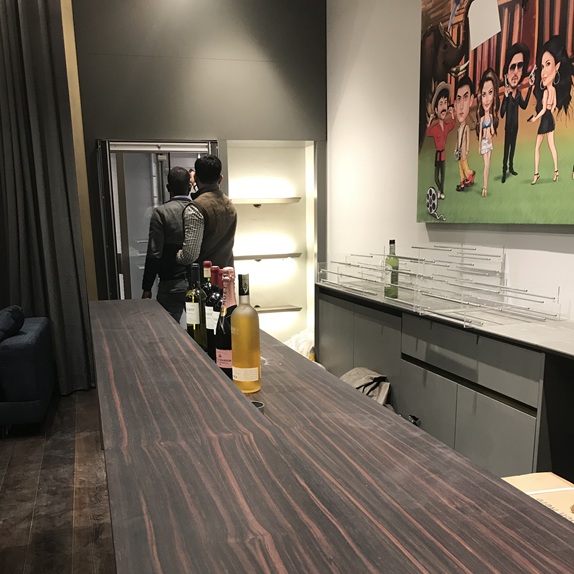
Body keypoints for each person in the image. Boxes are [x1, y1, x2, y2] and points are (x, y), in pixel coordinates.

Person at [142, 166, 192, 322]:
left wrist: (147, 287)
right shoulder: (198, 209)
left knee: (168, 329)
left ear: (168, 187)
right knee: (199, 330)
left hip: (171, 282)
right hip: (196, 281)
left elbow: (154, 253)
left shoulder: (161, 213)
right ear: (189, 187)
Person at [177, 154, 237, 268]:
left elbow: (189, 256)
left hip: (205, 276)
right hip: (227, 273)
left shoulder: (196, 208)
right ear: (220, 178)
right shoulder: (229, 204)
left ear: (195, 178)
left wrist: (178, 255)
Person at [529, 36, 574, 185]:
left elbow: (545, 110)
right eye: (542, 66)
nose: (543, 72)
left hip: (545, 119)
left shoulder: (548, 92)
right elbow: (553, 107)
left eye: (548, 64)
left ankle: (537, 174)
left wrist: (535, 118)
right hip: (550, 120)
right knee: (550, 146)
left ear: (557, 66)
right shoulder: (551, 91)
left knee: (539, 146)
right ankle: (555, 171)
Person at [500, 42, 533, 183]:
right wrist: (505, 98)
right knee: (506, 149)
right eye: (512, 67)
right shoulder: (507, 96)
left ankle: (511, 167)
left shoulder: (518, 94)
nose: (515, 73)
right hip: (508, 128)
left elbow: (524, 106)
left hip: (516, 127)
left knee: (513, 148)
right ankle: (504, 171)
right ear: (506, 73)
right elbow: (502, 113)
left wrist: (530, 88)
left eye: (520, 67)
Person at [426, 81, 455, 200]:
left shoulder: (446, 127)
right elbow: (428, 133)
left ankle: (441, 191)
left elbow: (452, 124)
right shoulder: (435, 128)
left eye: (445, 103)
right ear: (436, 109)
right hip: (437, 155)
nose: (444, 107)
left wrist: (452, 114)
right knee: (436, 177)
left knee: (443, 176)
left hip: (443, 155)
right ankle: (439, 189)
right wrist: (430, 121)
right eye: (441, 104)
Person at [476, 68, 500, 198]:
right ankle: (484, 187)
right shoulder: (481, 119)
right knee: (485, 165)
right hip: (484, 144)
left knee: (487, 165)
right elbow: (480, 134)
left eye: (490, 93)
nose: (486, 99)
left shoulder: (491, 117)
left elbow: (491, 130)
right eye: (484, 94)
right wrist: (479, 146)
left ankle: (485, 187)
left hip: (489, 144)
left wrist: (491, 134)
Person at [453, 75, 476, 192]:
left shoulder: (466, 127)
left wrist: (466, 150)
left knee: (464, 165)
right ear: (455, 104)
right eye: (458, 99)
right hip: (459, 152)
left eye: (465, 98)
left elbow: (466, 140)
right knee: (460, 166)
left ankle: (470, 174)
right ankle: (462, 181)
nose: (461, 106)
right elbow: (458, 140)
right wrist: (455, 149)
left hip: (463, 152)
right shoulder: (459, 129)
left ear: (471, 100)